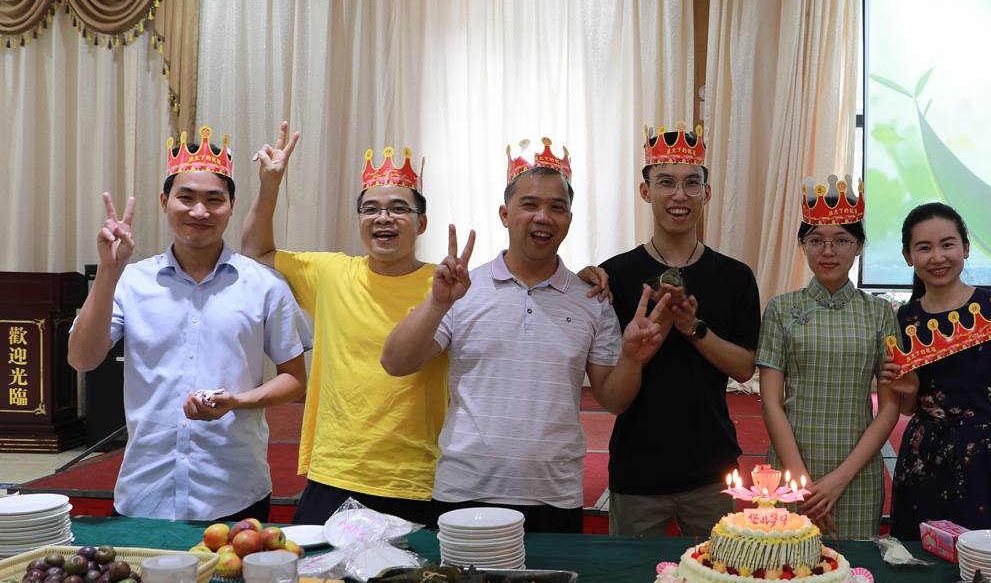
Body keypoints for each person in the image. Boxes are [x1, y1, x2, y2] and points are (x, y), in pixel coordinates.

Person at [381, 138, 668, 532]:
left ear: (569, 218)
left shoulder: (592, 300)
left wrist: (632, 360)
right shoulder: (462, 290)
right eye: (529, 204)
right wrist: (437, 302)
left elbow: (613, 399)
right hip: (465, 490)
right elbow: (395, 363)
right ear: (505, 214)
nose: (543, 217)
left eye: (556, 207)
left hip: (554, 495)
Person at [68, 125, 311, 522]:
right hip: (144, 490)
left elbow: (295, 380)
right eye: (186, 198)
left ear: (231, 206)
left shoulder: (263, 284)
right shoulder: (132, 281)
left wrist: (239, 401)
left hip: (234, 490)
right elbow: (82, 358)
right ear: (165, 201)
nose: (200, 212)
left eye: (214, 200)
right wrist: (109, 272)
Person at [238, 122, 449, 526]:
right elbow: (254, 253)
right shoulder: (332, 272)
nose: (383, 218)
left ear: (421, 223)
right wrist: (270, 186)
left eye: (399, 208)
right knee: (314, 566)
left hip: (417, 476)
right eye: (371, 209)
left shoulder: (444, 284)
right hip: (336, 469)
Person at [596, 123, 761, 538]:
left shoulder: (735, 277)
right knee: (630, 574)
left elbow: (744, 368)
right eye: (666, 182)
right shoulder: (614, 275)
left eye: (691, 183)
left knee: (717, 575)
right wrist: (635, 354)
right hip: (637, 469)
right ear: (645, 191)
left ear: (707, 192)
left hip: (711, 469)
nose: (679, 195)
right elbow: (612, 399)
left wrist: (693, 328)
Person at [756, 175, 901, 539]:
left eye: (841, 240)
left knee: (855, 569)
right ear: (803, 246)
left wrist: (838, 479)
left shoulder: (880, 313)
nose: (828, 251)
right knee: (784, 565)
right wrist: (801, 482)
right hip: (791, 472)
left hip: (857, 475)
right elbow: (770, 401)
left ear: (859, 246)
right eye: (816, 240)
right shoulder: (781, 309)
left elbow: (889, 407)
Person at [887, 202, 991, 539]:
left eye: (948, 244)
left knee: (988, 557)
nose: (938, 257)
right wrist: (909, 389)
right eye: (924, 248)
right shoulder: (904, 320)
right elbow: (907, 408)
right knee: (920, 556)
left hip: (987, 457)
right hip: (923, 456)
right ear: (908, 256)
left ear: (966, 248)